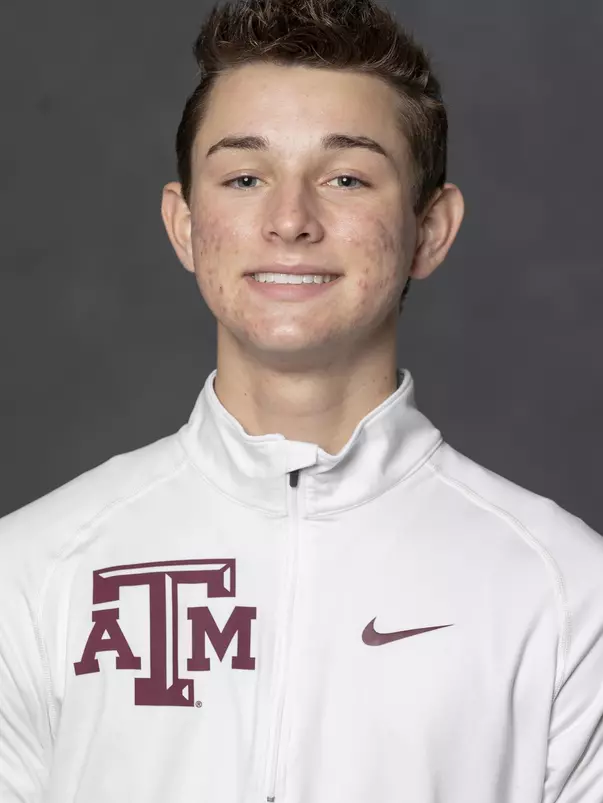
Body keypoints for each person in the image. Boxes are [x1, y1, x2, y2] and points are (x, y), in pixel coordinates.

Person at [1, 0, 602, 800]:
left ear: (429, 229)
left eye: (346, 177)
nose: (289, 220)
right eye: (244, 177)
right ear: (184, 225)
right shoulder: (33, 569)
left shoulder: (565, 592)